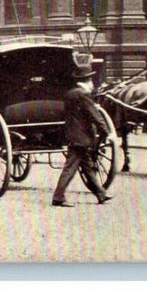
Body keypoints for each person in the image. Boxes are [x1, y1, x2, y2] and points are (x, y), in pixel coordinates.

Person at [52, 60, 114, 207]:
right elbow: (94, 115)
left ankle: (101, 194)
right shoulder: (83, 94)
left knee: (87, 167)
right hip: (80, 137)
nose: (93, 83)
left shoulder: (70, 94)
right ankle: (58, 197)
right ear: (87, 81)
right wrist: (107, 132)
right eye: (91, 79)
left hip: (74, 135)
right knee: (70, 168)